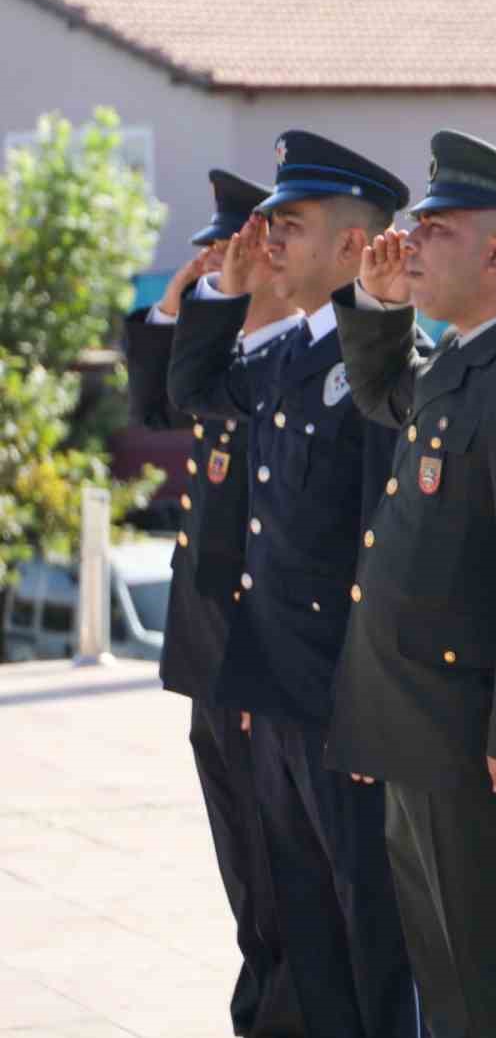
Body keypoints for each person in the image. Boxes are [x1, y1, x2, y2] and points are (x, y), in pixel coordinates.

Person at [316, 127, 496, 1038]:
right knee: (450, 975)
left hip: (478, 745)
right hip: (423, 728)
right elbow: (388, 396)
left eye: (436, 230)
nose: (410, 243)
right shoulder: (467, 362)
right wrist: (381, 307)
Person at [168, 131, 423, 1038]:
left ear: (355, 247)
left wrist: (367, 707)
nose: (267, 237)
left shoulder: (378, 366)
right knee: (306, 928)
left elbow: (385, 556)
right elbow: (192, 395)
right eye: (269, 221)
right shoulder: (281, 358)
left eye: (293, 224)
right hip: (276, 694)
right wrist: (218, 295)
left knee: (375, 937)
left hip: (340, 703)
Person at [124, 169, 303, 1038]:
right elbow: (154, 400)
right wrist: (176, 302)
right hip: (211, 653)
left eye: (232, 250)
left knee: (282, 874)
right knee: (246, 870)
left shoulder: (294, 367)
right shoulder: (228, 362)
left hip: (261, 655)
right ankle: (260, 1011)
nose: (215, 263)